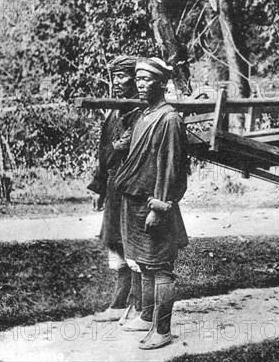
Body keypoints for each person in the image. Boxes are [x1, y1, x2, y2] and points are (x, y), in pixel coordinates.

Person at [114, 57, 190, 350]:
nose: (141, 84)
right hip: (134, 202)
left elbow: (170, 169)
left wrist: (159, 208)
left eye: (147, 80)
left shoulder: (169, 119)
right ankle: (147, 317)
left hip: (154, 205)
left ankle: (163, 329)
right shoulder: (143, 115)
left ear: (162, 84)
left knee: (161, 268)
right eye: (138, 79)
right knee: (144, 265)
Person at [88, 56, 143, 324]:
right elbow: (104, 152)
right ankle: (120, 303)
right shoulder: (113, 112)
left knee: (132, 243)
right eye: (115, 76)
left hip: (133, 186)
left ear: (136, 79)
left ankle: (136, 304)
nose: (118, 82)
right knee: (115, 242)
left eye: (124, 76)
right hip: (113, 185)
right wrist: (100, 188)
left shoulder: (143, 114)